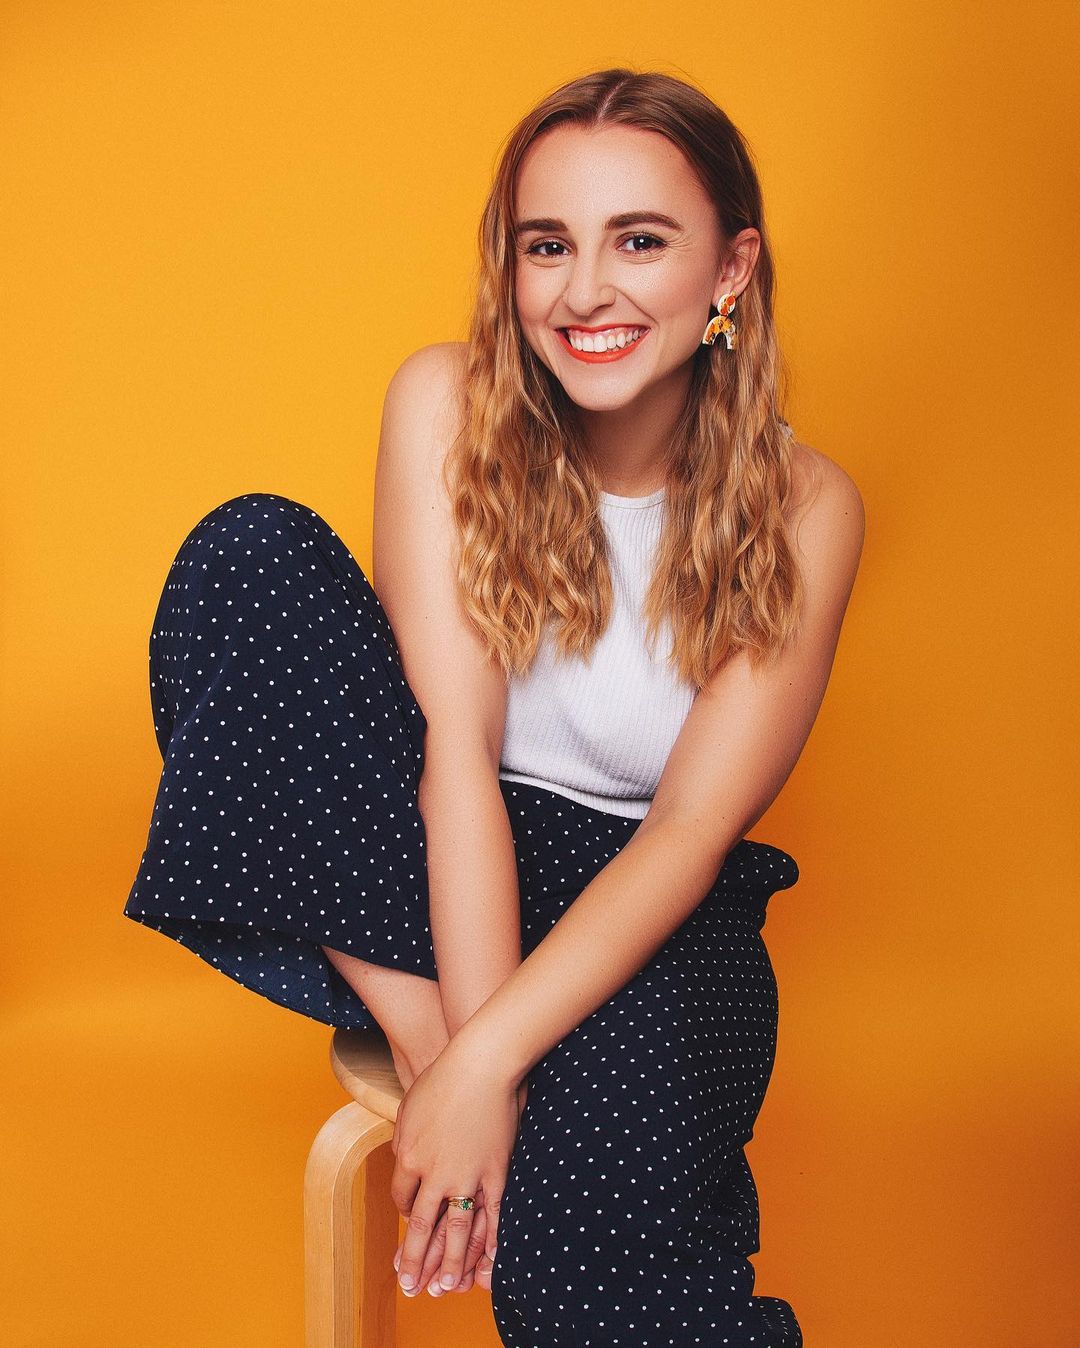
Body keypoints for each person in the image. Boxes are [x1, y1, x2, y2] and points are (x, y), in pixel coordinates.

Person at [125, 66, 863, 1346]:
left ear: (731, 269)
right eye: (546, 246)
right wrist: (456, 1064)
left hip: (652, 904)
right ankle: (436, 1039)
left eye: (640, 240)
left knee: (589, 1265)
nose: (585, 291)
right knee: (249, 560)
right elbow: (452, 757)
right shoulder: (446, 405)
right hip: (436, 860)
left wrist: (492, 1067)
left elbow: (687, 833)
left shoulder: (809, 508)